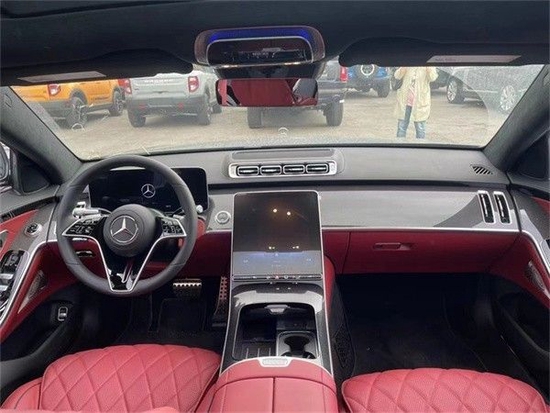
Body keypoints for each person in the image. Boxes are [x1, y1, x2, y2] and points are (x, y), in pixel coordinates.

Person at [394, 67, 438, 139]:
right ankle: (400, 144)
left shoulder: (428, 66)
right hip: (405, 102)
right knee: (401, 127)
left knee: (420, 127)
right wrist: (403, 68)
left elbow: (433, 77)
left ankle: (420, 145)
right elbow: (397, 76)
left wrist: (428, 69)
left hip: (420, 103)